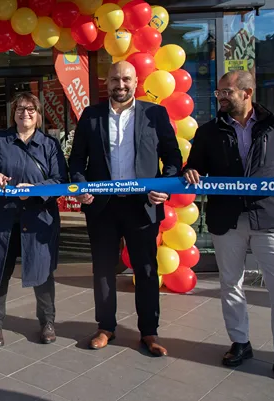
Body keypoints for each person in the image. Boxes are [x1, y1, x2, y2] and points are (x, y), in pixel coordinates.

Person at [183, 70, 274, 387]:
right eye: (218, 93)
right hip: (227, 220)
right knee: (231, 283)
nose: (221, 98)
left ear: (247, 92)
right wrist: (191, 171)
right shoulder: (208, 131)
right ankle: (240, 342)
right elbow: (193, 165)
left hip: (269, 217)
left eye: (226, 92)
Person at [68, 61, 182, 357]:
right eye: (115, 79)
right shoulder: (91, 116)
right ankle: (105, 327)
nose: (121, 84)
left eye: (127, 79)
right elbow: (77, 158)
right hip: (102, 206)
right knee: (103, 268)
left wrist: (165, 185)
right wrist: (81, 186)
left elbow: (172, 155)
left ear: (136, 82)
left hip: (142, 205)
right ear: (107, 83)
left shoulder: (155, 114)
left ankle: (149, 331)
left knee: (146, 268)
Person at [0, 92, 68, 347]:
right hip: (0, 218)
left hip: (37, 219)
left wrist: (33, 191)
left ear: (38, 113)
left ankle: (47, 322)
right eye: (20, 109)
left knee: (43, 272)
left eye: (31, 109)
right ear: (13, 113)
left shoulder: (49, 145)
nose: (25, 113)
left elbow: (59, 180)